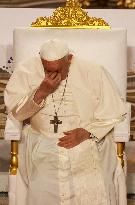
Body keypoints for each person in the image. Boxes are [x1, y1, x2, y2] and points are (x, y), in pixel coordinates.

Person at [4, 39, 127, 205]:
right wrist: (41, 91)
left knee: (94, 182)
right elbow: (16, 113)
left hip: (86, 141)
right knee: (43, 185)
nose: (52, 75)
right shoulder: (26, 71)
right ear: (40, 59)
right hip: (41, 142)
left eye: (58, 70)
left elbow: (114, 111)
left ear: (69, 59)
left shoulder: (93, 71)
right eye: (47, 70)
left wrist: (86, 132)